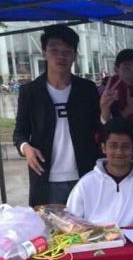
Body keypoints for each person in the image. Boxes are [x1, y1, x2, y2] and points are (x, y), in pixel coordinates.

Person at [13, 24, 100, 206]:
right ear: (44, 53)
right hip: (46, 178)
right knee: (49, 223)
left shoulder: (87, 89)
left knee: (88, 223)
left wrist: (105, 112)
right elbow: (20, 133)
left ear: (75, 55)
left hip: (84, 175)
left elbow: (98, 129)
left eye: (67, 51)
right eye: (54, 50)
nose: (61, 56)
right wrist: (26, 148)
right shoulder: (31, 92)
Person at [66, 118, 133, 227]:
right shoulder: (85, 184)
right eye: (113, 146)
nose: (119, 152)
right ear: (103, 148)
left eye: (125, 146)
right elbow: (70, 224)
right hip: (96, 237)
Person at [99, 49, 133, 129]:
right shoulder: (105, 93)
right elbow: (103, 128)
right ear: (116, 69)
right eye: (127, 68)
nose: (132, 73)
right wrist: (127, 110)